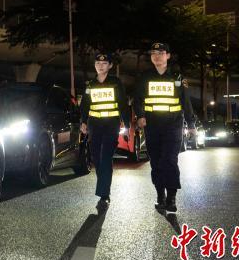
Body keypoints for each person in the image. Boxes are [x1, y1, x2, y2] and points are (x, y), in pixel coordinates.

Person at [134, 42, 196, 214]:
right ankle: (160, 195)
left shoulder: (178, 78)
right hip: (152, 125)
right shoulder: (145, 77)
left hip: (173, 125)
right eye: (154, 53)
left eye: (161, 53)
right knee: (156, 162)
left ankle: (172, 197)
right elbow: (137, 99)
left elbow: (186, 103)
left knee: (169, 160)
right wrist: (140, 116)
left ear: (168, 56)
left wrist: (191, 125)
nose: (157, 56)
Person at [80, 53, 129, 210]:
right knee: (96, 158)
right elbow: (85, 105)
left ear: (110, 65)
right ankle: (104, 189)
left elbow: (123, 104)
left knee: (106, 157)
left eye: (104, 63)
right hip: (94, 125)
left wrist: (127, 125)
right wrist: (83, 122)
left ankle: (104, 195)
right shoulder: (90, 84)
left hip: (111, 125)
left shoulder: (115, 83)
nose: (100, 66)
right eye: (97, 63)